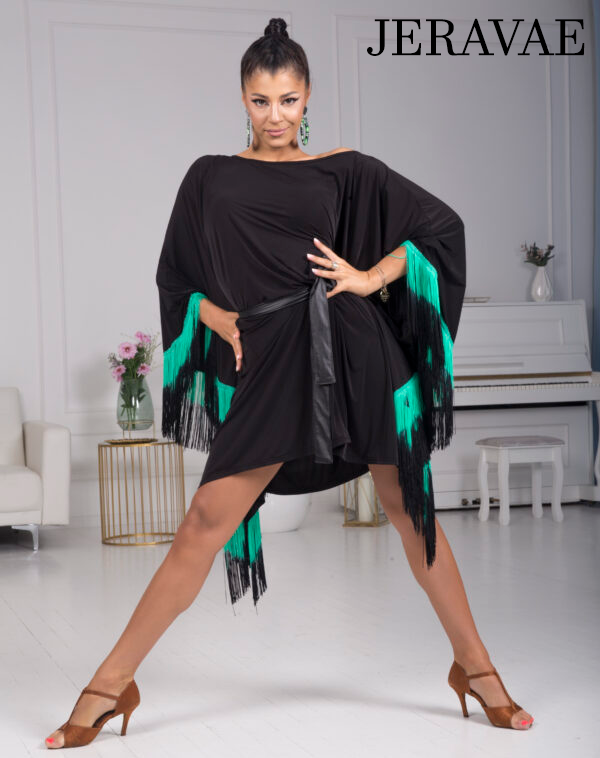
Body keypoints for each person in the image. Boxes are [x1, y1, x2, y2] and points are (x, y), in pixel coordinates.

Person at [44, 16, 533, 749]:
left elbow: (439, 231)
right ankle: (112, 683)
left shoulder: (344, 169)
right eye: (261, 100)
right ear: (242, 98)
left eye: (289, 100)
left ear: (308, 99)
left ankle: (477, 668)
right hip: (271, 359)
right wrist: (218, 317)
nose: (275, 116)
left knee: (411, 511)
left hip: (354, 351)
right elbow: (175, 277)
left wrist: (368, 277)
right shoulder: (209, 176)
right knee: (202, 524)